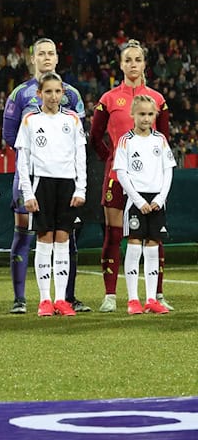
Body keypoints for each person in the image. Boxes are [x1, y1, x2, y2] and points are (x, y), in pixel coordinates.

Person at [2, 38, 88, 315]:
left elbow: (78, 145)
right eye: (41, 53)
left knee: (65, 237)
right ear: (33, 58)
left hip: (66, 179)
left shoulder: (73, 96)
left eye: (51, 52)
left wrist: (80, 183)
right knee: (28, 234)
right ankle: (22, 298)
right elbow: (9, 136)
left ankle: (66, 297)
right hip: (33, 177)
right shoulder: (19, 94)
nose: (47, 57)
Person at [90, 40, 172, 313]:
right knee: (114, 236)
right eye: (128, 60)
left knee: (153, 234)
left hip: (150, 181)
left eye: (138, 59)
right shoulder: (109, 99)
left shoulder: (157, 99)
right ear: (121, 64)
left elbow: (164, 141)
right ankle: (111, 295)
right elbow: (95, 138)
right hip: (117, 178)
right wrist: (111, 159)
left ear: (144, 64)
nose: (133, 64)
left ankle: (156, 295)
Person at [112, 95, 174, 315]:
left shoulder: (160, 140)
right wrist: (138, 199)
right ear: (133, 115)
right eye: (142, 114)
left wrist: (159, 199)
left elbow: (168, 171)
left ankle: (150, 299)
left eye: (150, 114)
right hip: (136, 201)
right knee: (135, 244)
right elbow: (121, 172)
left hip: (156, 201)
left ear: (155, 115)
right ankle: (132, 299)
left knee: (153, 246)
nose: (146, 118)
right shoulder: (126, 141)